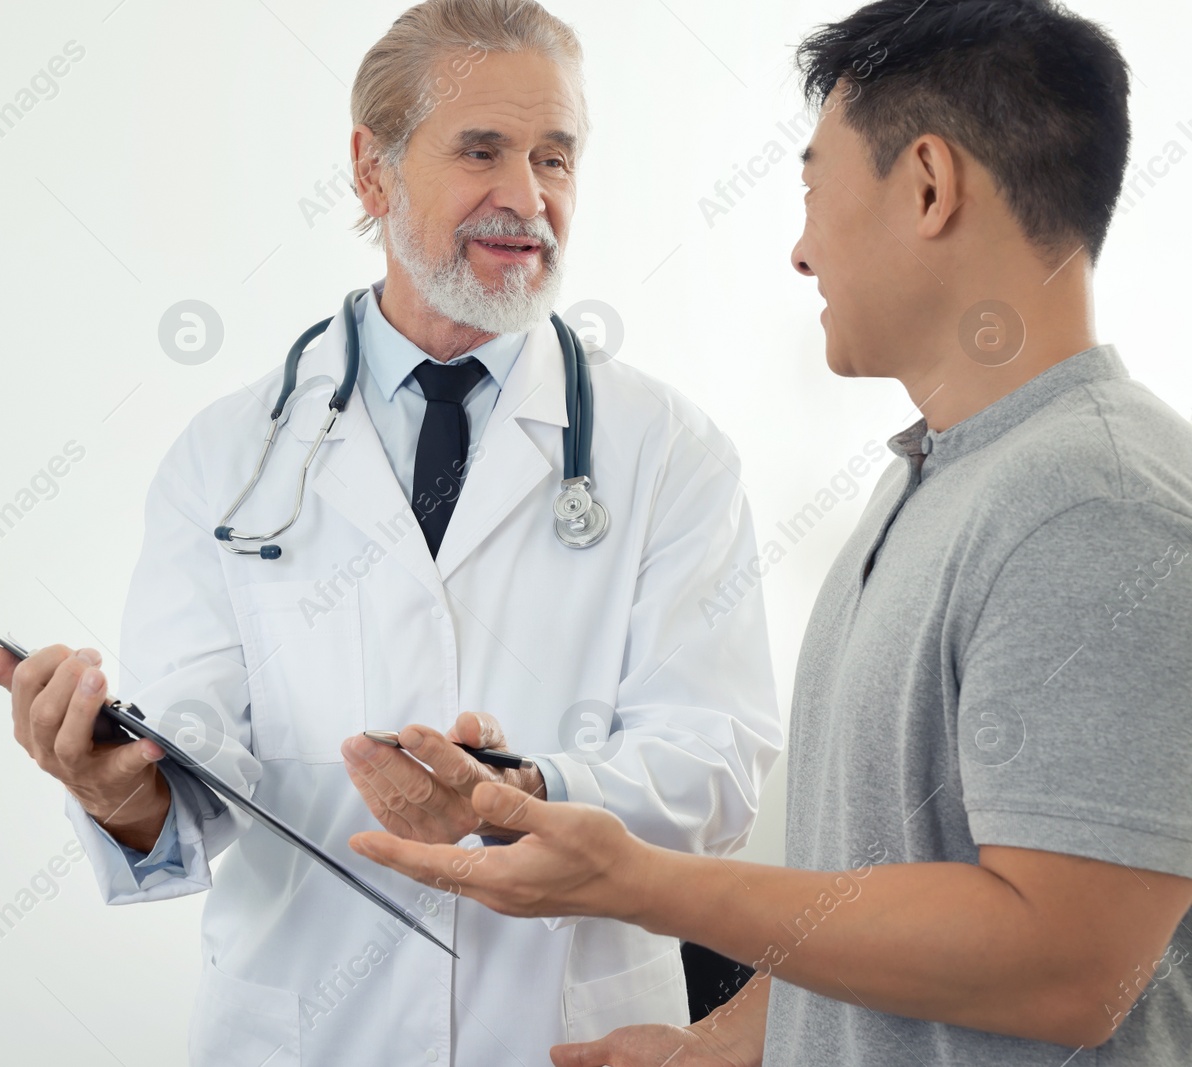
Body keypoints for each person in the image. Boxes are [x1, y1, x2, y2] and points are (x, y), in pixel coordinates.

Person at [348, 2, 1192, 1065]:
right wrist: (716, 1045)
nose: (799, 250)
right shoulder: (930, 484)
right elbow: (885, 889)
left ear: (927, 185)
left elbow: (1066, 963)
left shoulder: (1092, 504)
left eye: (813, 186)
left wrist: (634, 878)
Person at [0, 2, 783, 1064]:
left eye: (554, 157)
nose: (527, 198)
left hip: (567, 1028)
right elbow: (192, 758)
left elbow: (714, 771)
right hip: (307, 1032)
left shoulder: (668, 450)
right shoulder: (228, 455)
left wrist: (522, 792)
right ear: (371, 171)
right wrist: (123, 790)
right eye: (481, 149)